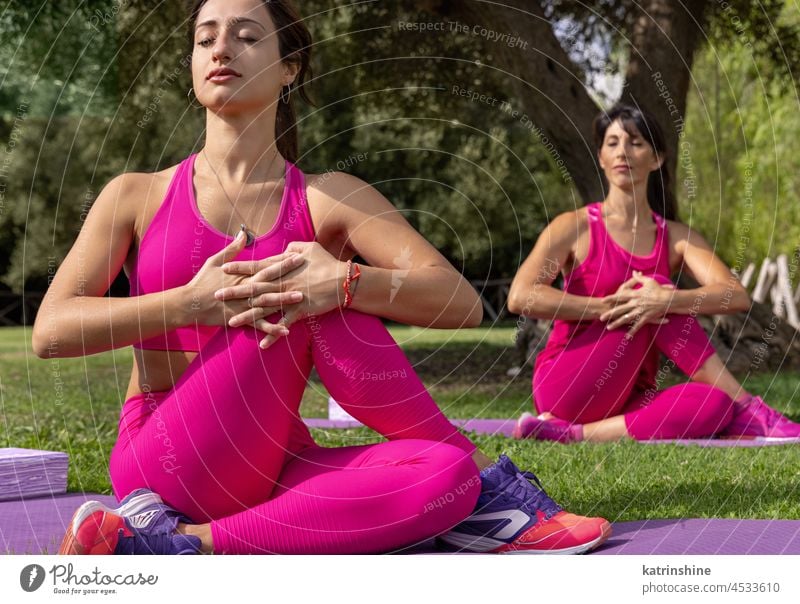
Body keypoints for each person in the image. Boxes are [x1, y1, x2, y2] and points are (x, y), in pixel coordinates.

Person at [37, 0, 610, 555]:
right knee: (300, 292)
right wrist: (189, 303)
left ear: (290, 67)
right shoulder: (136, 194)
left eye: (246, 35)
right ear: (191, 68)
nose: (221, 49)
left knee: (446, 473)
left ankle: (172, 544)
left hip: (273, 460)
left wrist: (344, 281)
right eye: (205, 38)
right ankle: (496, 494)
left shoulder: (327, 195)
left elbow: (459, 303)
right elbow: (51, 330)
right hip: (165, 455)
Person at [508, 102, 800, 444]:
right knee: (654, 289)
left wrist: (669, 299)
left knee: (714, 404)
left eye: (635, 142)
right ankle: (749, 406)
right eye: (612, 143)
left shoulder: (675, 237)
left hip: (629, 393)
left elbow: (734, 294)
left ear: (657, 158)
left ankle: (570, 434)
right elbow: (521, 295)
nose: (622, 152)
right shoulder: (574, 227)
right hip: (567, 383)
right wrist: (604, 307)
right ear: (600, 157)